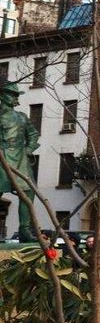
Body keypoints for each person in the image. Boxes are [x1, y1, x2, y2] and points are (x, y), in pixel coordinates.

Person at [0, 83, 41, 242]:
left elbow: (33, 134)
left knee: (28, 192)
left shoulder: (22, 117)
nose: (15, 97)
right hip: (1, 157)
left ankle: (24, 229)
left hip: (20, 158)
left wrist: (29, 149)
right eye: (12, 94)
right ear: (2, 95)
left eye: (16, 95)